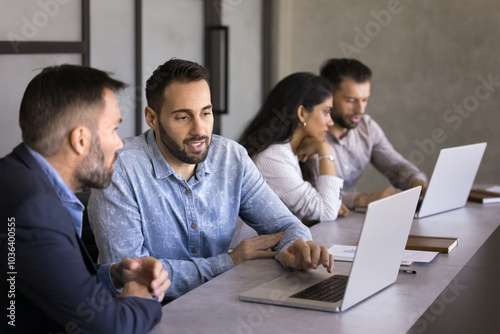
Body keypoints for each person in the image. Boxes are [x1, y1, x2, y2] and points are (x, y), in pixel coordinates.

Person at [88, 58, 334, 301]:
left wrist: (294, 247)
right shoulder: (119, 168)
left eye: (205, 113)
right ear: (152, 118)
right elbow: (134, 275)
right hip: (149, 315)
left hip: (221, 303)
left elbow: (287, 226)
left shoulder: (231, 157)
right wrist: (229, 262)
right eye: (183, 117)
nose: (199, 129)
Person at [0, 65, 170, 334]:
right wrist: (143, 294)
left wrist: (116, 275)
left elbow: (53, 286)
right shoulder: (34, 210)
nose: (119, 144)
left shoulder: (17, 180)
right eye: (113, 129)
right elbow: (110, 328)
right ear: (80, 140)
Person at [320, 58, 428, 210]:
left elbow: (396, 167)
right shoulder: (311, 134)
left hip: (348, 220)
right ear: (327, 96)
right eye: (351, 100)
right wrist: (362, 199)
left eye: (365, 100)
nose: (360, 110)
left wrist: (415, 181)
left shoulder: (367, 127)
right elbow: (313, 196)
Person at [239, 72, 345, 223]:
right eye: (326, 112)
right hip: (257, 247)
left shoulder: (292, 152)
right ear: (302, 113)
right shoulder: (273, 157)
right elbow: (327, 211)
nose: (330, 122)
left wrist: (332, 204)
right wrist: (325, 150)